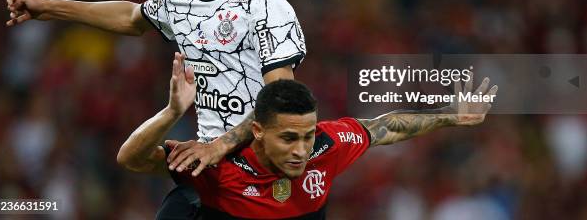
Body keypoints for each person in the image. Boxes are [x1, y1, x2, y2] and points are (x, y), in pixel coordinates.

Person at [5, 0, 306, 218]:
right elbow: (133, 18)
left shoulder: (264, 0)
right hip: (209, 173)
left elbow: (282, 99)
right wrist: (48, 6)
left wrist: (219, 145)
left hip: (262, 176)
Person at [118, 52, 498, 219]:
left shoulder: (325, 145)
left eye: (306, 135)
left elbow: (386, 127)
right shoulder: (217, 165)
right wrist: (172, 112)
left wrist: (449, 116)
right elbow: (130, 159)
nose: (302, 150)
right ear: (258, 132)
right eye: (288, 139)